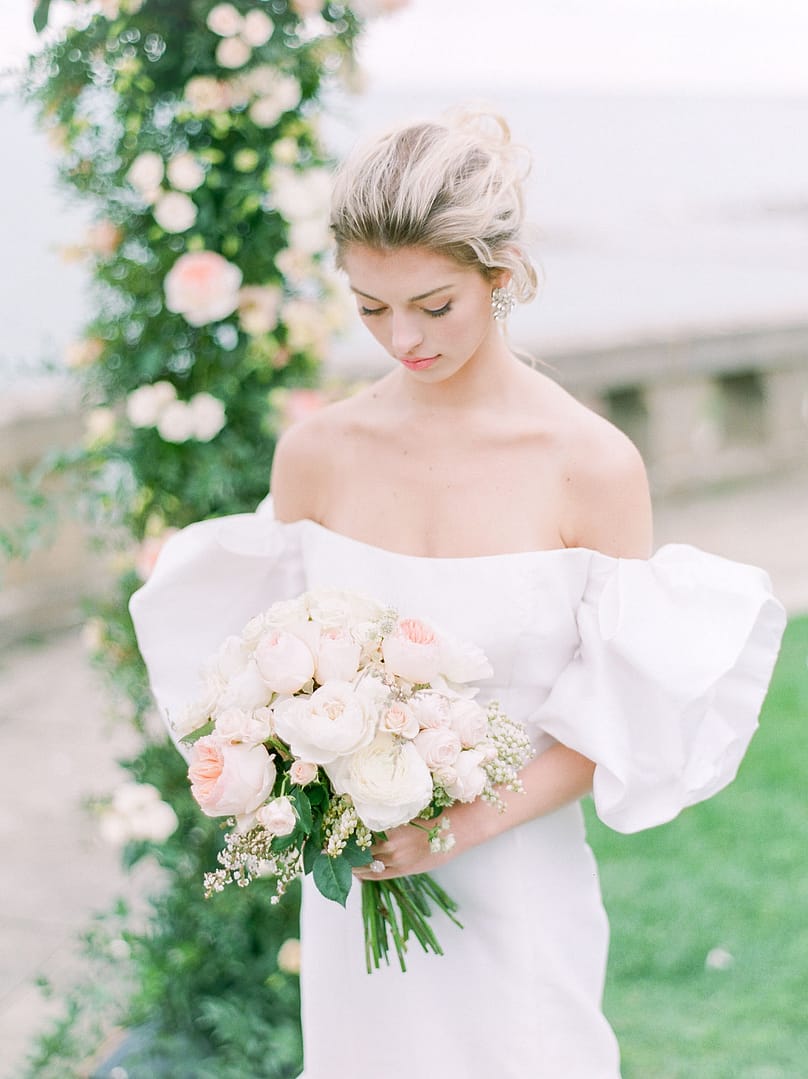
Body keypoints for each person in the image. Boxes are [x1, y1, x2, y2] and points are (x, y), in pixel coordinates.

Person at [130, 111, 786, 1079]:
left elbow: (612, 715)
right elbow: (252, 675)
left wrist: (456, 825)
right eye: (370, 308)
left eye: (433, 305)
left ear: (502, 272)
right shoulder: (318, 454)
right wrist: (297, 771)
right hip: (357, 899)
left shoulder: (589, 466)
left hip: (517, 884)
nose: (403, 338)